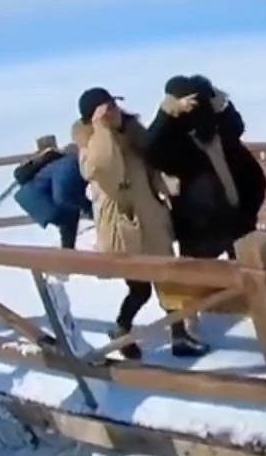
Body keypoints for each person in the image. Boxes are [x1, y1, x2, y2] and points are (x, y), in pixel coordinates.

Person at [72, 87, 207, 359]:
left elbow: (153, 160)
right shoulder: (90, 146)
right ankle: (121, 330)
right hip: (123, 226)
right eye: (105, 110)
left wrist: (168, 186)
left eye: (114, 105)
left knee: (170, 280)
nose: (113, 113)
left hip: (151, 216)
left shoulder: (134, 132)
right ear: (92, 119)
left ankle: (179, 336)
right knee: (140, 288)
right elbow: (104, 166)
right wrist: (102, 130)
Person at [141, 75, 266, 260]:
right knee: (202, 280)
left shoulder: (223, 134)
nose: (198, 109)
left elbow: (237, 129)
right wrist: (167, 112)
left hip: (239, 220)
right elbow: (152, 150)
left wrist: (221, 104)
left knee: (247, 273)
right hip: (200, 230)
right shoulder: (176, 143)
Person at [13, 144, 92, 249]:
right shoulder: (62, 165)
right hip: (61, 184)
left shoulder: (47, 174)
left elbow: (65, 201)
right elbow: (64, 197)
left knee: (67, 221)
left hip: (50, 198)